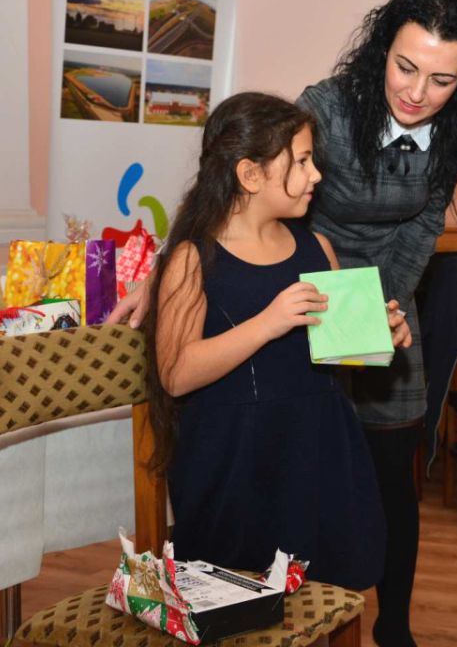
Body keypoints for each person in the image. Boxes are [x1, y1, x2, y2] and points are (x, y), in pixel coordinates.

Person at [114, 0, 457, 647]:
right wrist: (168, 271)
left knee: (389, 477)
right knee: (299, 459)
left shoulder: (455, 131)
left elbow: (421, 232)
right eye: (406, 67)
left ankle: (391, 624)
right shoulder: (326, 111)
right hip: (296, 271)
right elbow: (234, 190)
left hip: (371, 293)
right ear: (382, 52)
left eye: (441, 80)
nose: (418, 91)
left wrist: (369, 316)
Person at [143, 92, 412, 591]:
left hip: (318, 450)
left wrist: (378, 333)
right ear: (250, 175)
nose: (316, 175)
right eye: (302, 162)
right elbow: (176, 375)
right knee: (241, 602)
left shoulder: (317, 247)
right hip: (238, 462)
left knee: (328, 590)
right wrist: (268, 322)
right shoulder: (193, 259)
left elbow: (339, 354)